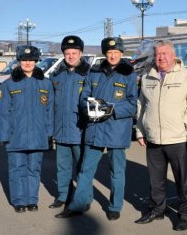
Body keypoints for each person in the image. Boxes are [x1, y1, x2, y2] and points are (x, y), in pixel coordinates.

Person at [55, 37, 137, 221]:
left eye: (116, 52)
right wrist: (89, 108)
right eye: (109, 52)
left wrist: (112, 109)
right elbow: (84, 97)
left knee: (117, 171)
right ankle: (78, 204)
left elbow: (133, 105)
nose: (113, 55)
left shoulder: (129, 74)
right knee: (85, 169)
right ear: (105, 54)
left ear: (121, 53)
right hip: (95, 128)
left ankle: (115, 206)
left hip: (116, 130)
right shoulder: (95, 72)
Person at [134, 40, 187, 231]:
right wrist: (140, 130)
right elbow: (141, 106)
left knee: (183, 180)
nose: (161, 58)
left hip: (178, 138)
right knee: (156, 180)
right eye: (158, 54)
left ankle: (184, 215)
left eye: (165, 54)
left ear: (173, 55)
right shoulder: (147, 77)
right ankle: (157, 210)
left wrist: (186, 126)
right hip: (153, 137)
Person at [0, 46, 54, 213]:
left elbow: (50, 111)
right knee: (17, 169)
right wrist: (3, 136)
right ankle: (19, 201)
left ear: (36, 62)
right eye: (24, 60)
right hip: (16, 136)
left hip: (38, 136)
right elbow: (3, 113)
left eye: (31, 60)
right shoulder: (8, 84)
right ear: (19, 61)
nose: (27, 63)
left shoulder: (46, 84)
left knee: (34, 169)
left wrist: (49, 134)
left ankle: (32, 200)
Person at [48, 35, 91, 209]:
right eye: (67, 53)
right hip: (61, 130)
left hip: (80, 130)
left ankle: (83, 199)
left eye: (74, 52)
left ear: (81, 53)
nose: (71, 56)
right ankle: (63, 195)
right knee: (62, 168)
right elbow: (50, 105)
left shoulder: (89, 74)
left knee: (82, 168)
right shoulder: (57, 75)